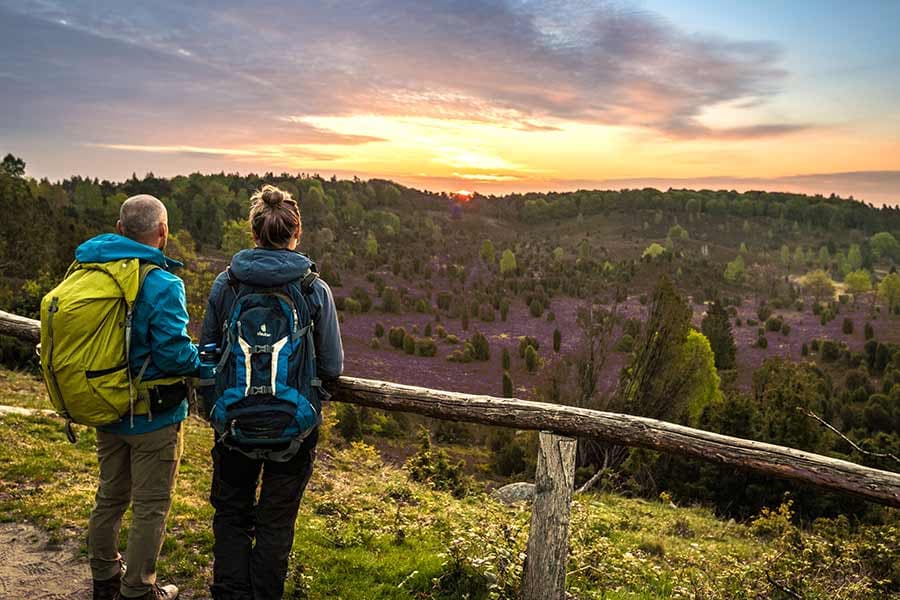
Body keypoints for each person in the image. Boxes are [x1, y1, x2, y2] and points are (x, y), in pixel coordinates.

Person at [200, 184, 343, 600]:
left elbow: (208, 352)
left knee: (231, 515)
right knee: (276, 523)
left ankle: (229, 593)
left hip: (234, 423)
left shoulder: (226, 284)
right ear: (296, 233)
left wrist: (214, 406)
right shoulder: (313, 288)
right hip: (293, 429)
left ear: (254, 233)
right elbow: (332, 367)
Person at [79, 195, 203, 600]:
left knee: (109, 497)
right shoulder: (163, 283)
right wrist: (203, 363)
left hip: (105, 405)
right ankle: (138, 590)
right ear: (163, 232)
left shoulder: (90, 271)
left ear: (120, 229)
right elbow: (173, 355)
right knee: (150, 506)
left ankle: (104, 579)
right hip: (154, 417)